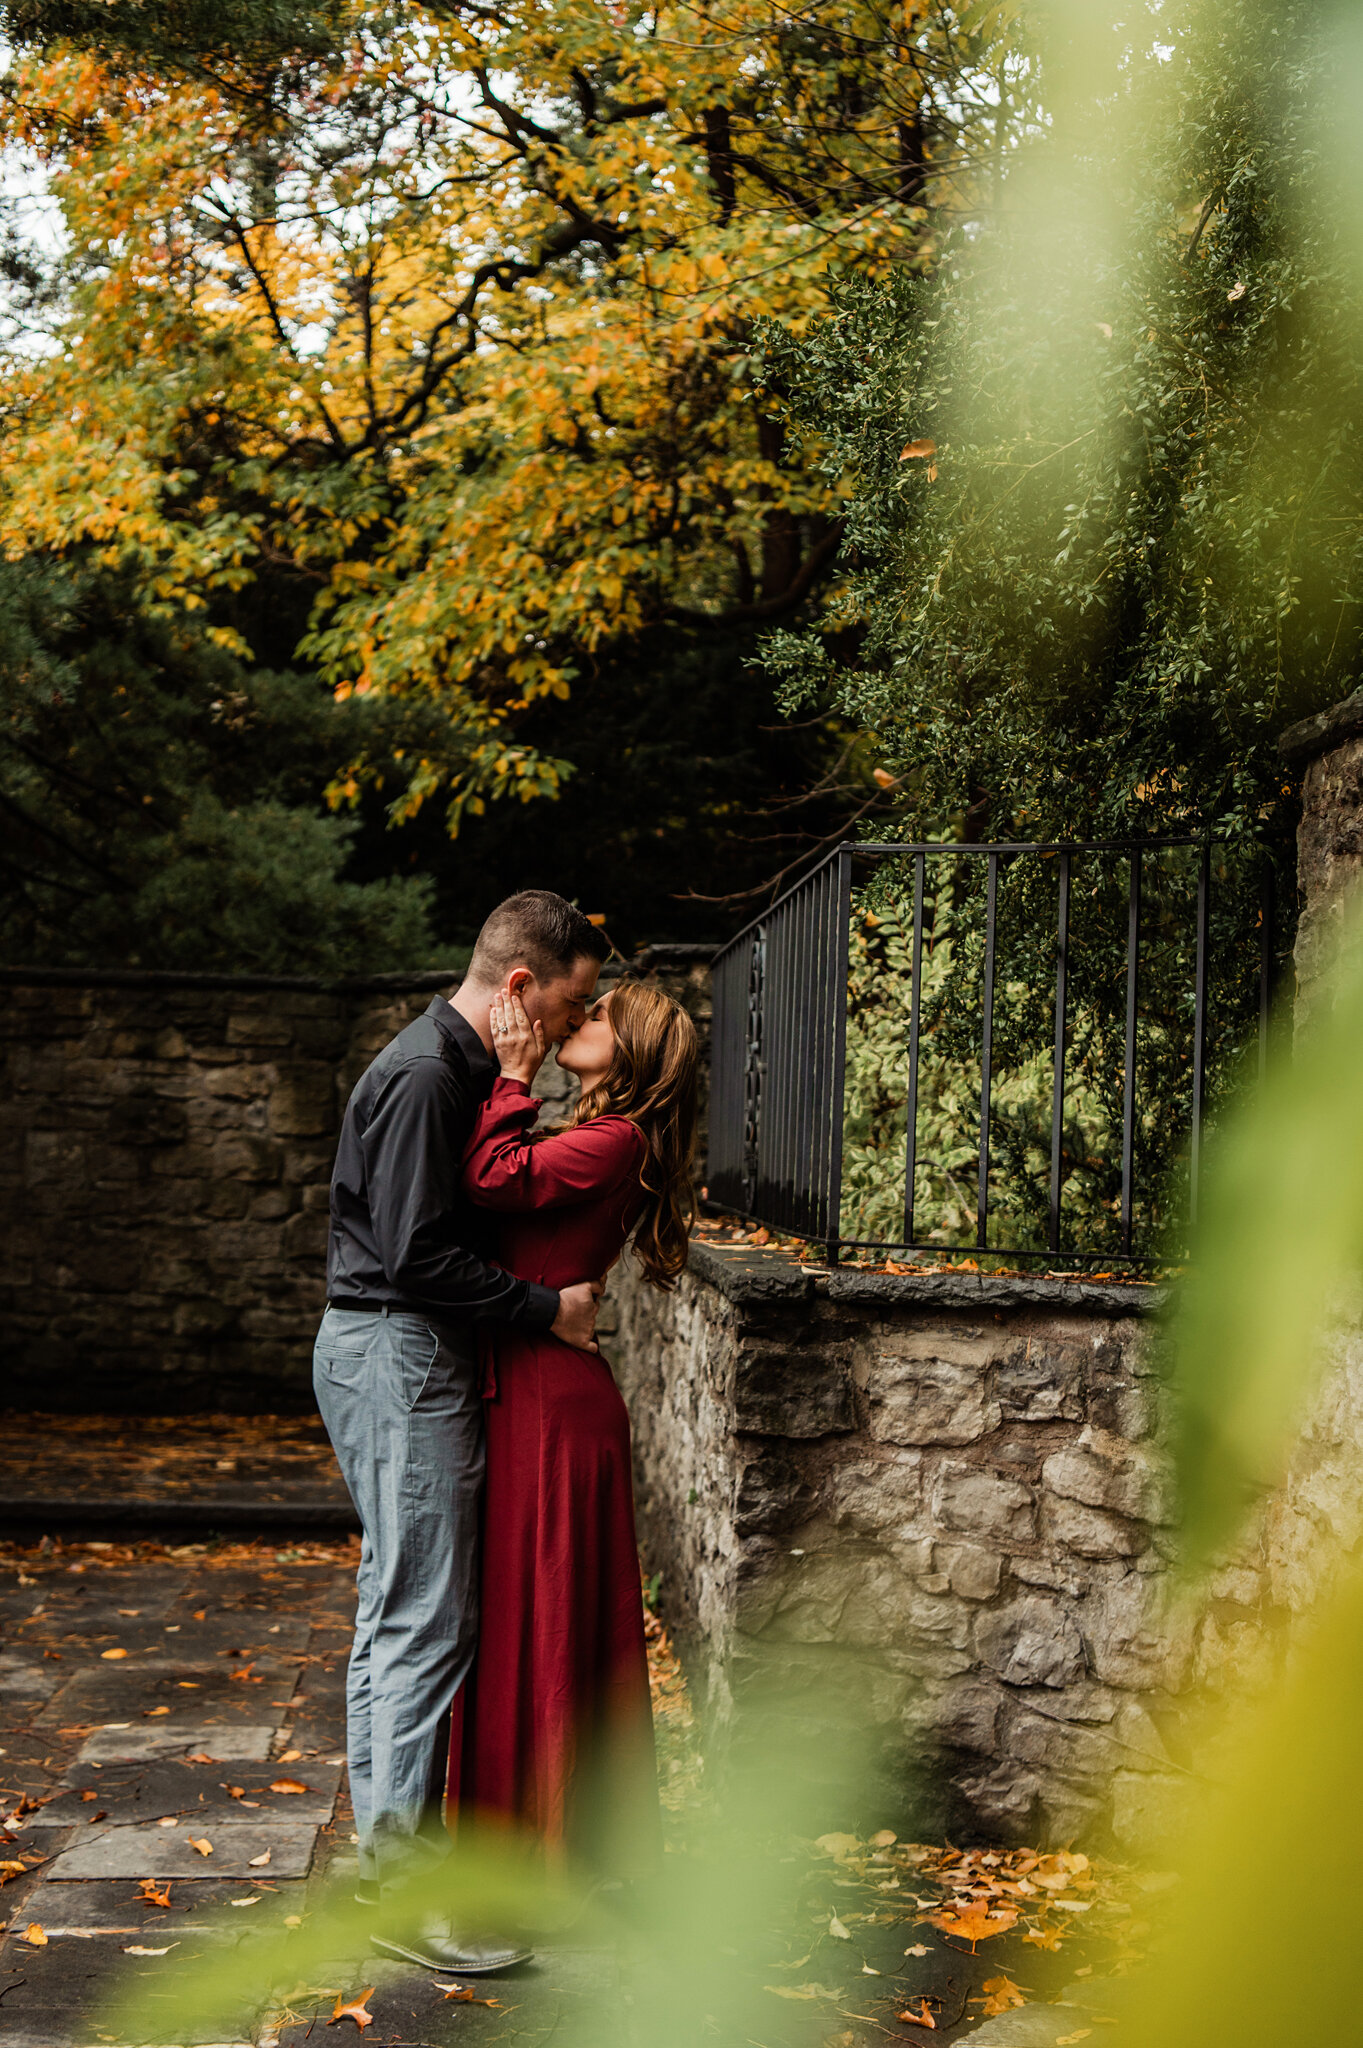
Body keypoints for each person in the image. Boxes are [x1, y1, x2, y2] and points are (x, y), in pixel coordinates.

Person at [312, 892, 611, 1975]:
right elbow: (415, 1256)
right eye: (572, 999)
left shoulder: (456, 1068)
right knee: (422, 1620)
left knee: (397, 1607)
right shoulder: (432, 1073)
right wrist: (550, 1312)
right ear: (522, 987)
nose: (578, 1026)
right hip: (398, 1351)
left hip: (395, 1351)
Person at [448, 979, 699, 1881]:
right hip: (534, 1385)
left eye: (597, 1017)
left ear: (628, 1049)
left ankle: (552, 1855)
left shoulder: (616, 1139)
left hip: (554, 1406)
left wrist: (513, 1075)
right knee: (522, 1612)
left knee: (547, 1618)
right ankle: (522, 1838)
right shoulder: (600, 1136)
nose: (577, 1020)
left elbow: (492, 1179)